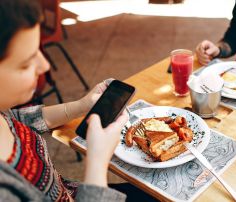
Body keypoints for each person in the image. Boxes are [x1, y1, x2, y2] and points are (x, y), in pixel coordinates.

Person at [0, 0, 156, 201]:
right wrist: (97, 162)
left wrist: (81, 105)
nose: (45, 65)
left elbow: (19, 119)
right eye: (26, 63)